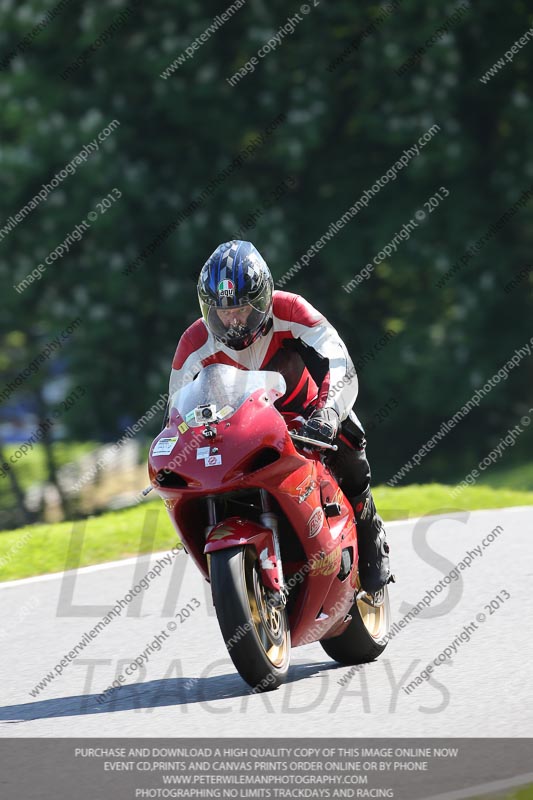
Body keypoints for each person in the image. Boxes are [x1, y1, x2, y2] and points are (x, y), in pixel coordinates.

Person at [169, 240, 393, 594]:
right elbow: (176, 410)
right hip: (236, 436)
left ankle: (369, 527)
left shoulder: (292, 310)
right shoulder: (194, 341)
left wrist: (329, 412)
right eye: (223, 312)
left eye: (242, 309)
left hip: (305, 419)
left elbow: (339, 361)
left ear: (263, 300)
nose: (233, 320)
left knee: (349, 434)